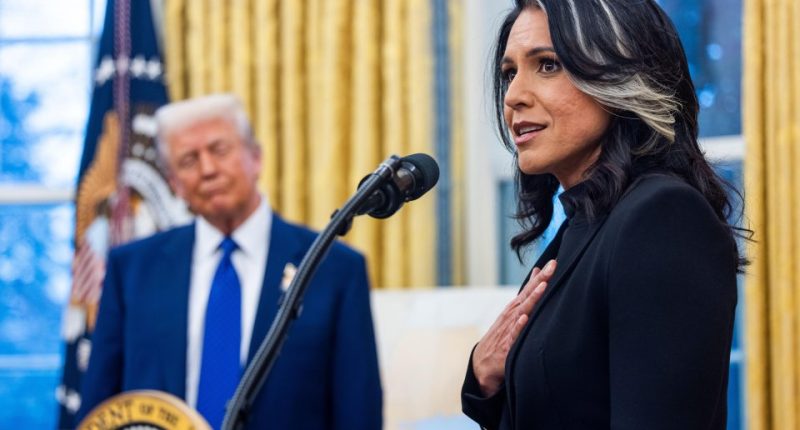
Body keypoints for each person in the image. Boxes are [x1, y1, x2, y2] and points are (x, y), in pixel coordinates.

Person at [461, 1, 745, 429]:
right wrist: (484, 380)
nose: (514, 96)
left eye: (548, 64)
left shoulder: (663, 218)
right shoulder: (583, 224)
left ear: (620, 75)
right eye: (509, 73)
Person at [78, 94, 383, 430]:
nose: (208, 169)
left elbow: (358, 411)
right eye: (189, 161)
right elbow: (100, 412)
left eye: (219, 150)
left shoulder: (334, 268)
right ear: (174, 183)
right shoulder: (131, 270)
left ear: (256, 158)